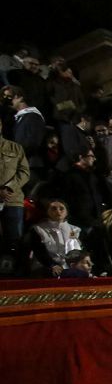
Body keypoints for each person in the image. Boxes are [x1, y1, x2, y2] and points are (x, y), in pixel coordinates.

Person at [0, 115, 30, 254]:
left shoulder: (15, 148)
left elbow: (24, 172)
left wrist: (9, 187)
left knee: (14, 240)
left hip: (13, 200)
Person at [30, 199, 82, 276]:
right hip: (44, 267)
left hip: (68, 268)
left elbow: (77, 251)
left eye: (61, 208)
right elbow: (39, 251)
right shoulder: (38, 229)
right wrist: (52, 265)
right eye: (54, 208)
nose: (58, 211)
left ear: (67, 212)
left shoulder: (75, 230)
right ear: (47, 211)